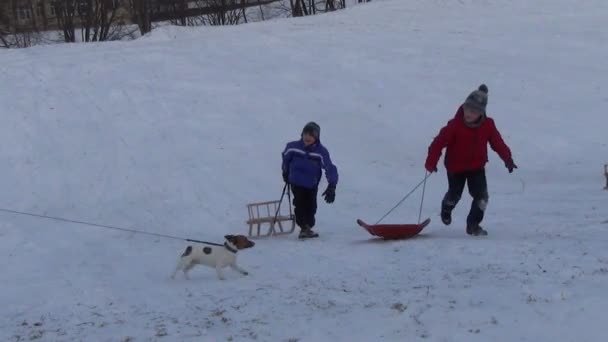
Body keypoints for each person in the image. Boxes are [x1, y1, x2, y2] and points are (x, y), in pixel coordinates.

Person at [425, 84, 517, 236]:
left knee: (482, 197)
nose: (469, 113)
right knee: (455, 195)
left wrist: (507, 158)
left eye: (474, 111)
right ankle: (447, 207)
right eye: (467, 109)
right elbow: (438, 143)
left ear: (481, 113)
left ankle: (473, 225)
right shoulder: (455, 125)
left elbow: (497, 143)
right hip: (455, 167)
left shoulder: (488, 125)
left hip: (476, 168)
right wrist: (431, 162)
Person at [282, 122, 339, 239]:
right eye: (305, 134)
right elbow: (286, 159)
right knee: (300, 203)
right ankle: (304, 227)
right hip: (296, 181)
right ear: (302, 134)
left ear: (316, 137)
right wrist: (285, 172)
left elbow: (329, 167)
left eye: (311, 135)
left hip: (311, 184)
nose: (307, 137)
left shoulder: (321, 152)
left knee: (311, 206)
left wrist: (332, 185)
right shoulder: (293, 147)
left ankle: (308, 226)